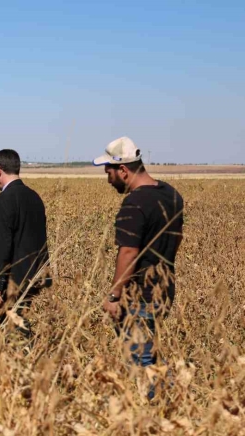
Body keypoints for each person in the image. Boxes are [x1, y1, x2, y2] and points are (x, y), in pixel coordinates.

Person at [95, 136, 184, 396]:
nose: (108, 179)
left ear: (123, 170)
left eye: (109, 172)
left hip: (140, 295)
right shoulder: (171, 194)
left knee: (142, 359)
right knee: (149, 354)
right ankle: (167, 406)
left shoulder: (134, 204)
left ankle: (159, 410)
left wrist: (115, 294)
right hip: (164, 288)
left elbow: (129, 252)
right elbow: (176, 240)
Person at [0, 149, 51, 336]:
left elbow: (2, 242)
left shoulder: (5, 199)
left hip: (12, 281)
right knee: (20, 324)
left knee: (12, 332)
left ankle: (26, 360)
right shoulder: (34, 197)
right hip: (33, 276)